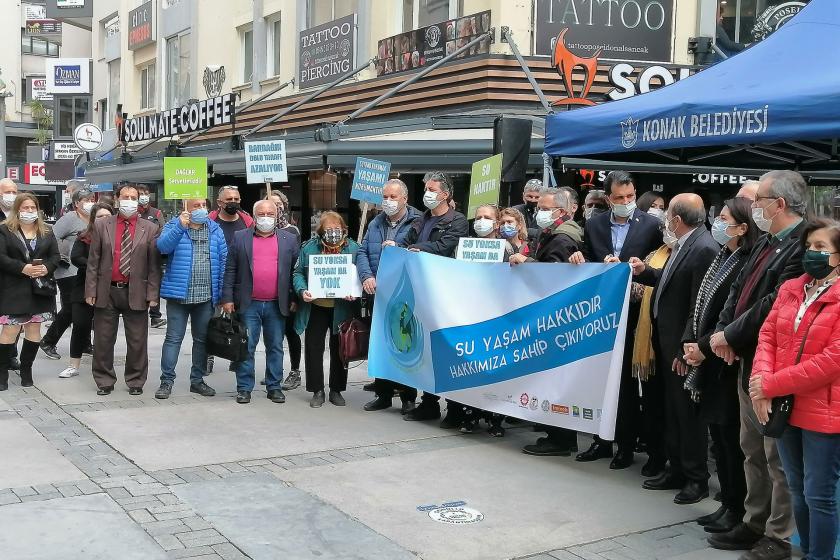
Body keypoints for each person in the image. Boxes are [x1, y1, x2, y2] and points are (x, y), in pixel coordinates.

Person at [708, 170, 808, 558]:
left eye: (759, 200)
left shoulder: (801, 247)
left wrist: (731, 335)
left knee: (776, 456)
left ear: (778, 204)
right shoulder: (765, 242)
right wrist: (724, 333)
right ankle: (754, 521)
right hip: (746, 359)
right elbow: (738, 291)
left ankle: (779, 533)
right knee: (751, 448)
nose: (753, 208)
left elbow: (772, 306)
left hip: (774, 367)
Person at [750, 218, 840, 560]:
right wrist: (762, 384)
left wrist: (769, 385)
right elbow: (767, 336)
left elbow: (831, 360)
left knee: (820, 495)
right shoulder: (791, 289)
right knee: (798, 491)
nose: (811, 253)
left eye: (821, 247)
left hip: (824, 410)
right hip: (786, 406)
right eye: (809, 246)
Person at [569, 171, 663, 469]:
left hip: (638, 315)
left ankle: (627, 445)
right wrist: (580, 258)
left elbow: (659, 262)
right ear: (608, 198)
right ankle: (602, 440)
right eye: (620, 198)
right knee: (603, 379)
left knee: (630, 383)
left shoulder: (651, 225)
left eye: (631, 197)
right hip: (602, 314)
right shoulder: (595, 223)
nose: (626, 202)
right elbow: (584, 255)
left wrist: (635, 267)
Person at [630, 194, 719, 505]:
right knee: (673, 410)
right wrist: (647, 272)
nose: (664, 219)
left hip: (683, 347)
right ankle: (676, 467)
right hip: (666, 342)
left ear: (677, 220)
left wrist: (687, 347)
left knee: (687, 414)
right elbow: (671, 281)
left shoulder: (704, 247)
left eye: (667, 214)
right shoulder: (683, 245)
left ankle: (696, 478)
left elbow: (700, 304)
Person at [682, 198, 759, 533]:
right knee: (719, 436)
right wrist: (691, 343)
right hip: (707, 355)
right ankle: (727, 502)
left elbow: (730, 316)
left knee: (730, 440)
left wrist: (703, 347)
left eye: (724, 218)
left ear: (742, 228)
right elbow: (700, 305)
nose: (717, 222)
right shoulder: (722, 256)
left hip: (724, 359)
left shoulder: (744, 261)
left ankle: (736, 506)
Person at [512, 187, 585, 455]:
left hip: (556, 322)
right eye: (539, 207)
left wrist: (526, 260)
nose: (538, 213)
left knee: (556, 379)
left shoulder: (563, 239)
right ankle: (555, 434)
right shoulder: (550, 233)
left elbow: (554, 279)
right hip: (550, 320)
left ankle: (561, 439)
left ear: (562, 212)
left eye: (544, 208)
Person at [401, 171, 469, 425]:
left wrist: (418, 248)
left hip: (445, 294)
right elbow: (405, 243)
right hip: (421, 293)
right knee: (425, 350)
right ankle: (428, 403)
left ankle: (454, 409)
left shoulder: (458, 221)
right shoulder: (421, 220)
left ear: (445, 194)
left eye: (432, 189)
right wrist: (396, 247)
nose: (427, 193)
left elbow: (445, 247)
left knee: (447, 352)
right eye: (426, 189)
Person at [85, 185, 162, 396]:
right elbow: (93, 261)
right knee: (103, 339)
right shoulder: (103, 225)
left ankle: (136, 380)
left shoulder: (151, 228)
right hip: (106, 290)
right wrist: (91, 290)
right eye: (125, 197)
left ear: (139, 200)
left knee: (137, 341)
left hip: (136, 290)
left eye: (133, 197)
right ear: (117, 199)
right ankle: (104, 380)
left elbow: (154, 266)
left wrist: (153, 294)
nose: (129, 200)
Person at [222, 200, 299, 404]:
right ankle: (244, 388)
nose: (266, 217)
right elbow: (230, 269)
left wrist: (294, 298)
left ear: (277, 215)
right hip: (249, 303)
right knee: (246, 346)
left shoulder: (289, 239)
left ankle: (274, 386)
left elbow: (295, 272)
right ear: (254, 216)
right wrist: (227, 298)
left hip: (277, 303)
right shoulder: (240, 237)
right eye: (261, 213)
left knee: (275, 346)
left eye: (270, 213)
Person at [358, 179, 422, 414]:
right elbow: (363, 251)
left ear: (405, 198)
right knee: (382, 343)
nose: (388, 201)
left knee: (405, 343)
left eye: (393, 197)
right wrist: (366, 276)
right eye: (385, 197)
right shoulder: (376, 222)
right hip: (380, 293)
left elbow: (421, 253)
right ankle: (383, 394)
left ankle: (407, 397)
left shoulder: (417, 221)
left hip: (406, 293)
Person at [154, 198, 227, 400]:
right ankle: (166, 381)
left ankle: (197, 381)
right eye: (197, 206)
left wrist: (220, 294)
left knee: (202, 341)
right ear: (187, 208)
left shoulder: (215, 230)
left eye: (204, 205)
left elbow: (223, 261)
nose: (202, 209)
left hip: (206, 296)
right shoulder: (174, 225)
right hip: (179, 295)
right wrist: (180, 226)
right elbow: (162, 247)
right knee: (173, 339)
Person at [293, 211, 359, 408]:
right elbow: (297, 273)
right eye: (328, 229)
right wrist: (302, 290)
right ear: (320, 231)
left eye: (337, 229)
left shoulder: (354, 248)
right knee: (314, 348)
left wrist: (354, 291)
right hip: (316, 307)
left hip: (342, 308)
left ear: (344, 230)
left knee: (340, 349)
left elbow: (361, 274)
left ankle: (336, 390)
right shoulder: (309, 248)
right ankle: (317, 390)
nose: (333, 233)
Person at [0, 194, 60, 391]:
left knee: (34, 330)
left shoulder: (47, 231)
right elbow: (1, 257)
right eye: (25, 208)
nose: (29, 211)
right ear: (18, 209)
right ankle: (2, 374)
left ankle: (27, 371)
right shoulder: (5, 230)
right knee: (10, 330)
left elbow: (55, 256)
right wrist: (22, 268)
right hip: (14, 290)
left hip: (40, 291)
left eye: (32, 208)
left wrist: (47, 268)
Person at [59, 203, 115, 379]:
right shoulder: (84, 236)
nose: (104, 219)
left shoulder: (119, 237)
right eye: (99, 216)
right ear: (93, 219)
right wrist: (96, 266)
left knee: (103, 329)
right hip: (84, 286)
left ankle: (103, 365)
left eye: (107, 216)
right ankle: (73, 365)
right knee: (80, 325)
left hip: (109, 289)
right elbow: (76, 258)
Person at [39, 188, 95, 361]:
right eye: (85, 200)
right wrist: (61, 255)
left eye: (92, 198)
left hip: (85, 271)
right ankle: (48, 340)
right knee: (71, 308)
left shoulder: (94, 219)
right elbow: (50, 237)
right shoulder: (70, 218)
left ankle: (84, 343)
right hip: (68, 270)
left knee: (85, 308)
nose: (89, 202)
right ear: (76, 203)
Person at [266, 189, 302, 390]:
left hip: (287, 291)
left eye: (278, 204)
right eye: (270, 203)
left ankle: (295, 371)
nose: (275, 207)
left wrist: (294, 294)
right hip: (267, 292)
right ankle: (274, 371)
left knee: (290, 332)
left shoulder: (291, 231)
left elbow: (295, 263)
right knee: (272, 335)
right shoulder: (258, 229)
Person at [0, 178, 22, 373]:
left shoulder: (22, 214)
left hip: (16, 274)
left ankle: (10, 355)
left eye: (14, 191)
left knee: (15, 319)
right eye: (8, 192)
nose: (11, 196)